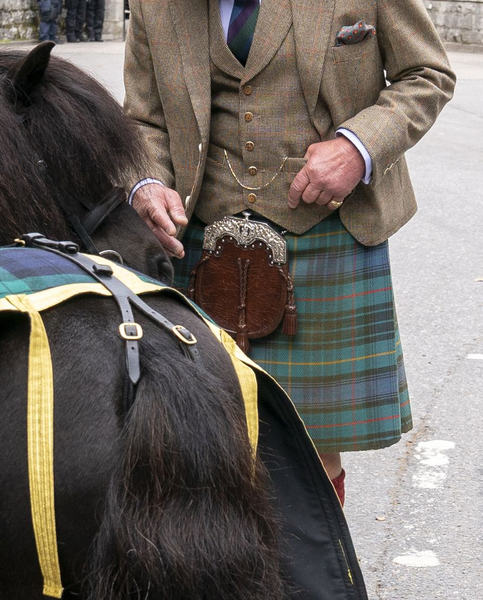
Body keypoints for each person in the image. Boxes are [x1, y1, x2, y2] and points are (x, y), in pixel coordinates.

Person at [124, 0, 455, 505]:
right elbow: (143, 119)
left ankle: (315, 577)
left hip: (327, 237)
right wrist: (146, 183)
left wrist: (357, 147)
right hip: (199, 247)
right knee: (201, 442)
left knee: (312, 449)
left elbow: (427, 74)